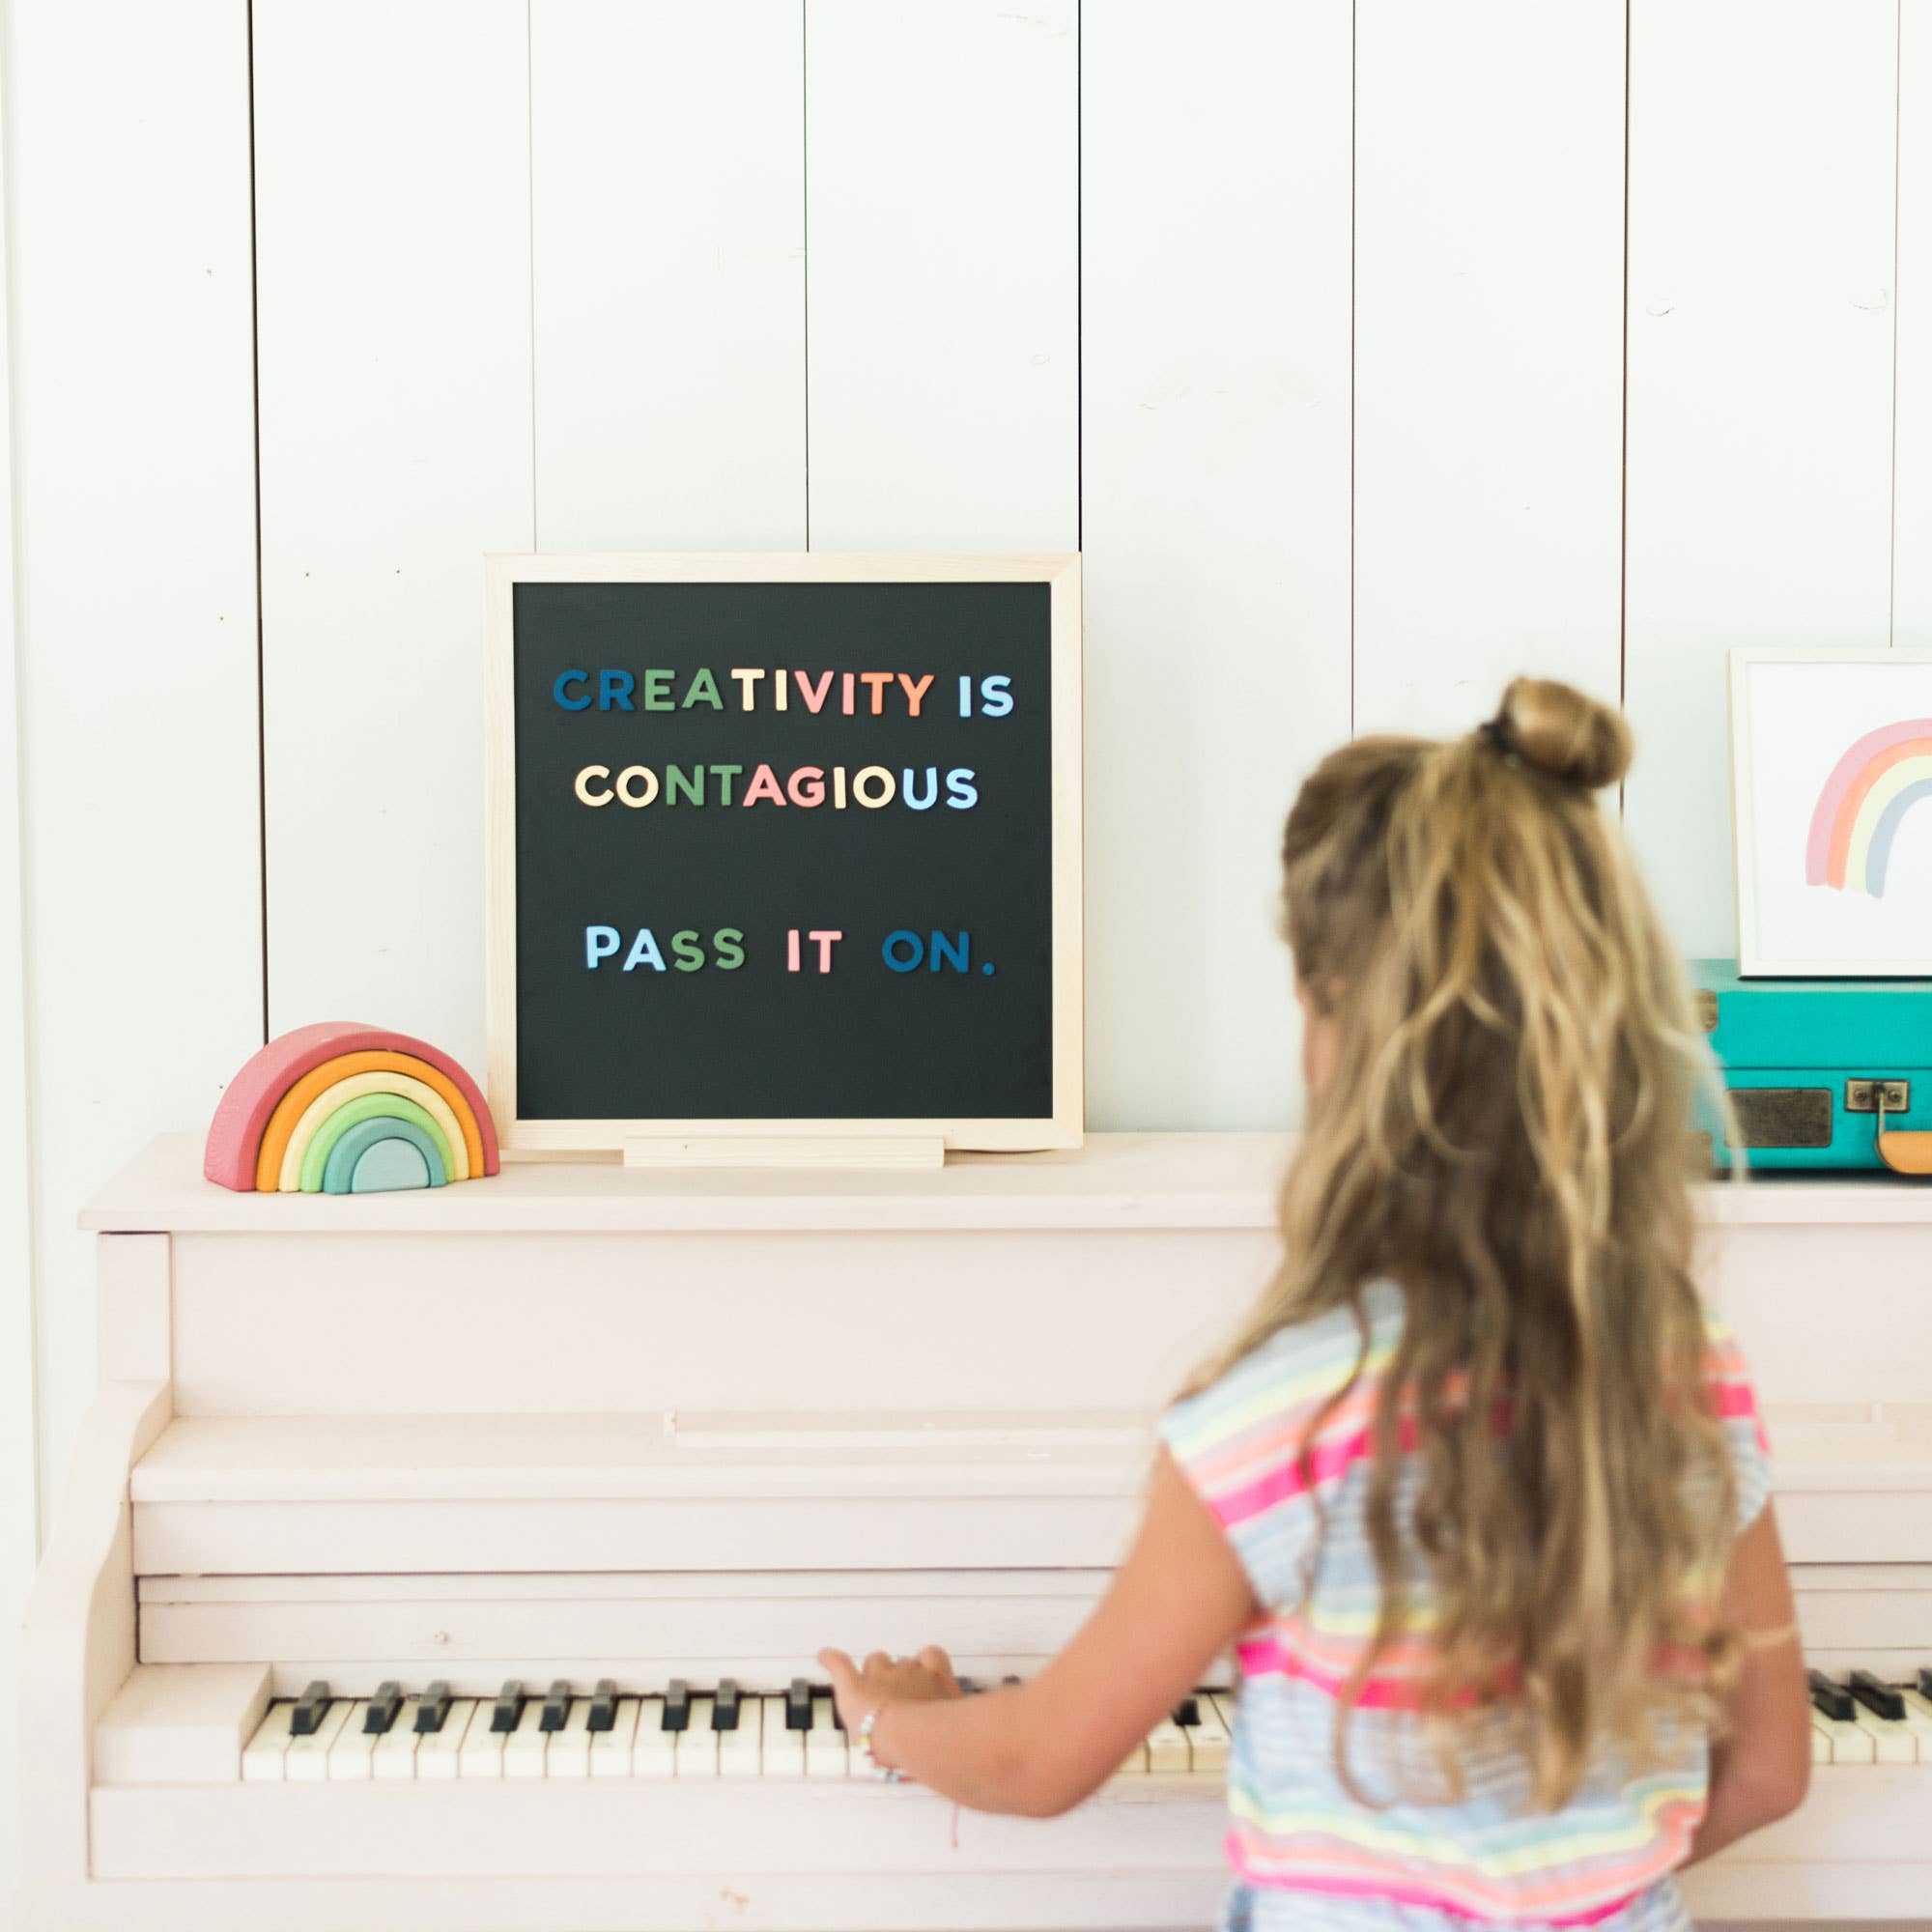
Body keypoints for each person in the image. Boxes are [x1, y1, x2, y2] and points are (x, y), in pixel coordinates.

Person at [819, 678, 1812, 1930]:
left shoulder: (1295, 1406)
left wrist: (893, 1723)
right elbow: (1770, 1773)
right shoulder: (1680, 1362)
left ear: (1338, 1027)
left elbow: (1036, 1761)